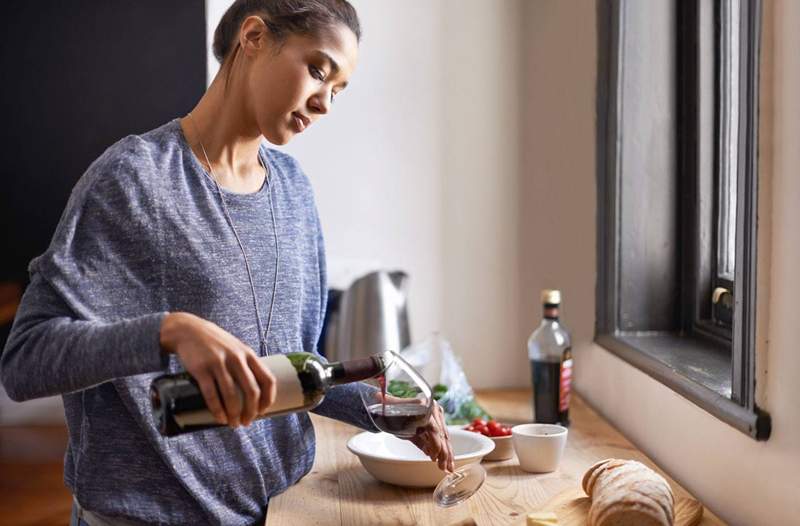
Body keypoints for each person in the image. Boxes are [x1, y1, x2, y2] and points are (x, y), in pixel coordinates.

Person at [0, 1, 454, 524]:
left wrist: (391, 409)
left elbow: (290, 371)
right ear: (255, 37)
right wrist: (170, 332)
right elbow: (26, 361)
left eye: (338, 90)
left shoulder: (294, 192)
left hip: (280, 511)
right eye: (318, 70)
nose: (326, 102)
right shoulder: (133, 181)